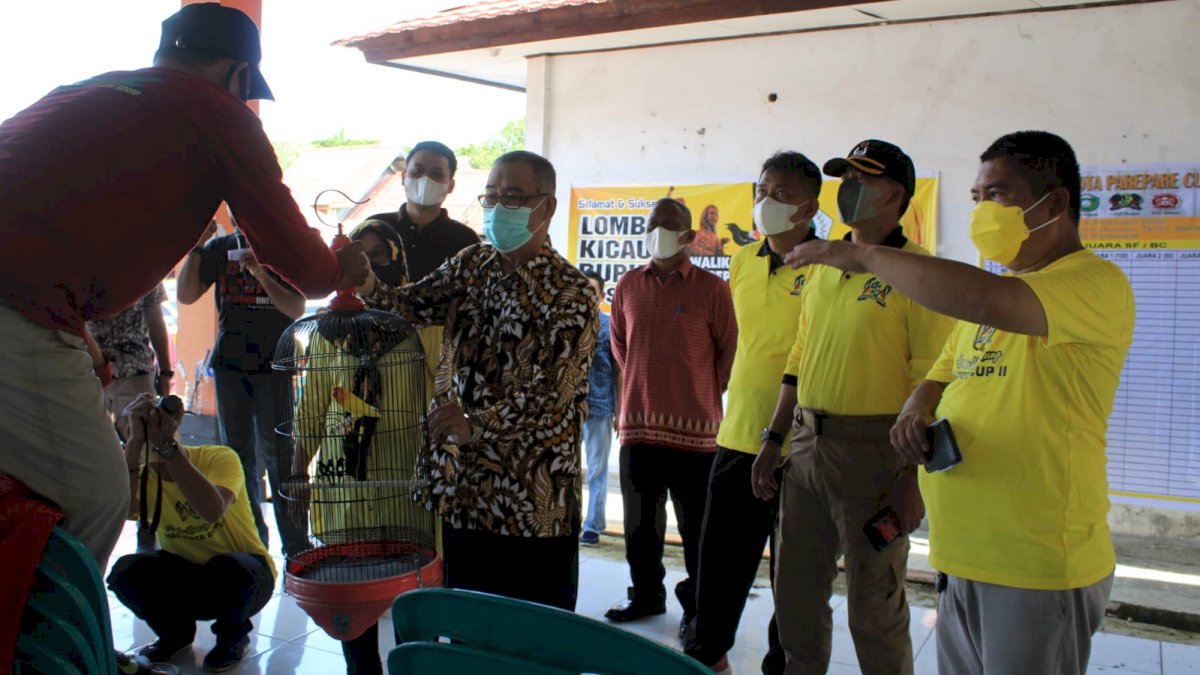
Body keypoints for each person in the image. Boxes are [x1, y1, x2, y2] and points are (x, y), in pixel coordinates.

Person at [0, 2, 367, 570]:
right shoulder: (219, 112)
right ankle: (48, 650)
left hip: (37, 307)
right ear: (237, 75)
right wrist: (346, 265)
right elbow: (312, 273)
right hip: (21, 309)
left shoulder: (82, 90)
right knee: (96, 496)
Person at [785, 131, 1134, 675]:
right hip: (963, 556)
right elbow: (942, 372)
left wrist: (857, 254)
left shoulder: (1092, 284)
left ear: (1057, 203)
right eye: (975, 198)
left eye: (996, 195)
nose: (981, 211)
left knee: (873, 610)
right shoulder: (999, 297)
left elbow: (988, 300)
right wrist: (916, 409)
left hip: (1036, 564)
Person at [359, 150, 598, 611]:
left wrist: (475, 422)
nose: (497, 207)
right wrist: (367, 284)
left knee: (531, 639)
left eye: (511, 196)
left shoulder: (572, 291)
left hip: (533, 497)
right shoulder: (472, 266)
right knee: (467, 627)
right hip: (464, 488)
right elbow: (409, 306)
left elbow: (554, 394)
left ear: (545, 207)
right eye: (491, 196)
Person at [751, 140, 953, 675]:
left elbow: (933, 379)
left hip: (877, 458)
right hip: (805, 448)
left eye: (864, 180)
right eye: (845, 180)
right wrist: (773, 440)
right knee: (793, 596)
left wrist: (914, 478)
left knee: (873, 605)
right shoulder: (820, 261)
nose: (849, 191)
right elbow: (799, 355)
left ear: (897, 196)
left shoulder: (917, 271)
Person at [683, 152, 822, 674]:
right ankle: (707, 658)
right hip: (738, 435)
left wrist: (778, 437)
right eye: (762, 189)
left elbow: (809, 357)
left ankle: (781, 666)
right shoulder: (742, 262)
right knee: (716, 567)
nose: (767, 201)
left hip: (800, 446)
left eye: (782, 193)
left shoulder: (828, 266)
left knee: (794, 580)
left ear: (810, 205)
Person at [605, 198, 738, 635]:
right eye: (653, 223)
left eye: (672, 224)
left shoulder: (713, 290)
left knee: (698, 530)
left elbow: (728, 353)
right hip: (638, 429)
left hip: (697, 436)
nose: (660, 230)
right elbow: (621, 351)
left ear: (688, 235)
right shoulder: (627, 285)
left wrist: (696, 394)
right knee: (641, 527)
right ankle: (646, 595)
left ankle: (698, 608)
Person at [107, 394, 276, 672]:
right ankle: (175, 635)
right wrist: (134, 441)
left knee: (229, 568)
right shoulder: (144, 478)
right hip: (188, 577)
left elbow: (211, 510)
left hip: (244, 576)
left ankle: (233, 636)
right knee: (126, 572)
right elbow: (121, 509)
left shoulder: (219, 458)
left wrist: (167, 447)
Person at [178, 219, 308, 557]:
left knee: (279, 455)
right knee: (236, 457)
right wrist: (195, 245)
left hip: (274, 364)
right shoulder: (221, 248)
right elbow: (186, 294)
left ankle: (296, 548)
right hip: (230, 364)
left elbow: (296, 309)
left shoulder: (283, 246)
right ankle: (253, 544)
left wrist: (261, 272)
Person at [88, 283, 176, 436]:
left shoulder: (78, 264)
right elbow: (155, 320)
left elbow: (156, 321)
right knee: (146, 444)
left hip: (94, 369)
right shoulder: (144, 264)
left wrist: (166, 372)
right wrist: (165, 373)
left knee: (94, 446)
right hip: (130, 369)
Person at [580, 269, 620, 547]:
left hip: (600, 408)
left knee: (596, 469)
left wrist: (621, 409)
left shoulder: (610, 326)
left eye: (591, 291)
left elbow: (619, 370)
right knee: (565, 470)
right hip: (568, 410)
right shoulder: (565, 325)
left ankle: (593, 525)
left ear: (601, 296)